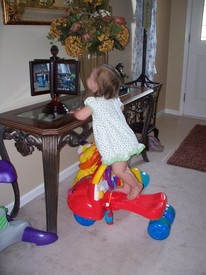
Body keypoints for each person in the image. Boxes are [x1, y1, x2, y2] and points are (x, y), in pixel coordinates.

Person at [71, 64, 145, 200]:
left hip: (117, 143)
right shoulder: (114, 99)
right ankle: (126, 187)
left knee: (119, 170)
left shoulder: (93, 102)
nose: (88, 77)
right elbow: (121, 108)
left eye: (90, 76)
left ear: (96, 85)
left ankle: (136, 186)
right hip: (124, 139)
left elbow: (81, 116)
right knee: (123, 167)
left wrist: (75, 112)